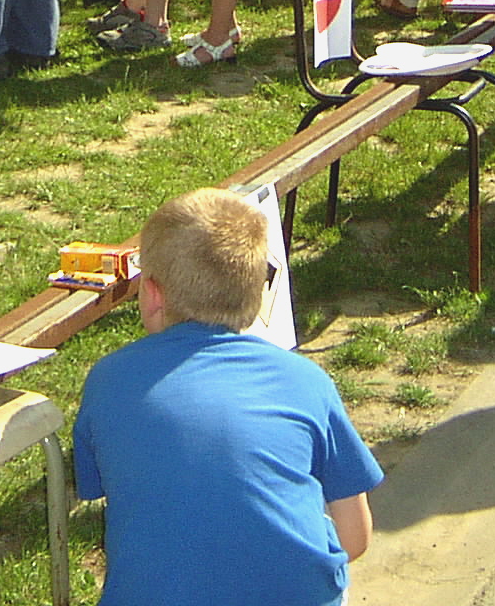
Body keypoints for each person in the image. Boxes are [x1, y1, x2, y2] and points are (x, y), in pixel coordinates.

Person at [72, 189, 383, 606]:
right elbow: (355, 538)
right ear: (259, 292)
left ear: (153, 294)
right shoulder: (306, 382)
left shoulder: (109, 379)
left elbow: (98, 488)